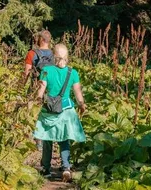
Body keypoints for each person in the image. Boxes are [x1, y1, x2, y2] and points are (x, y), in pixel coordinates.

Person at [34, 43, 86, 182]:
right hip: (66, 111)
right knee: (64, 140)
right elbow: (77, 92)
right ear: (67, 58)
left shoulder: (46, 70)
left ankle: (46, 169)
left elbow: (41, 90)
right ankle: (66, 168)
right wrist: (82, 105)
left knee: (47, 140)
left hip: (49, 110)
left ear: (53, 57)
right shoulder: (73, 73)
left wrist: (37, 100)